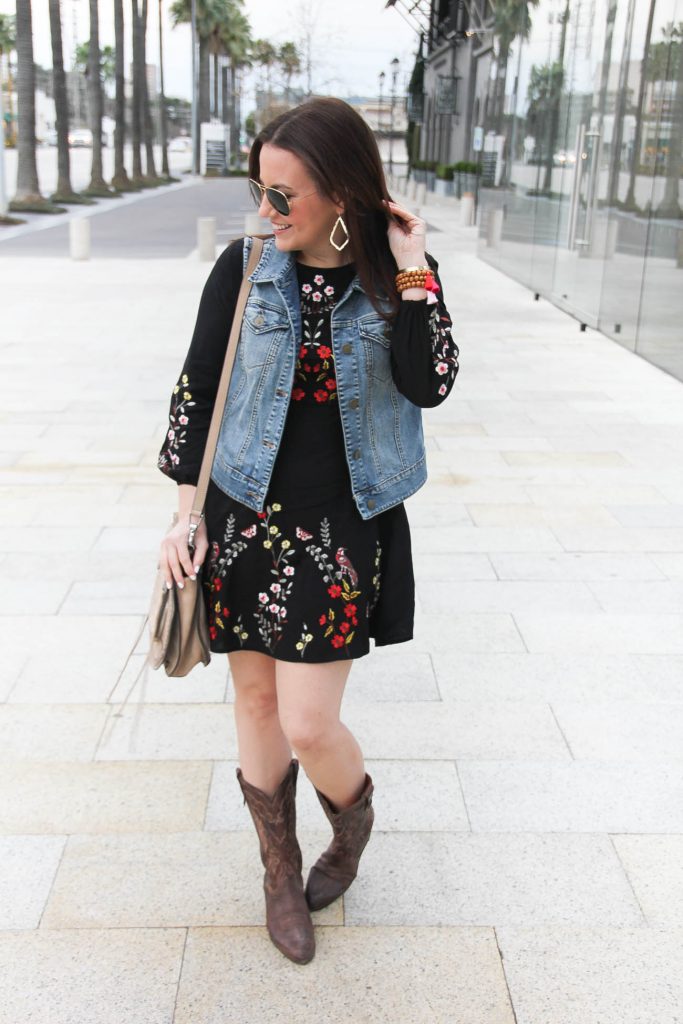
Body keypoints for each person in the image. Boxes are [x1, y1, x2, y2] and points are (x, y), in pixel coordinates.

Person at [156, 97, 459, 965]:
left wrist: (409, 270)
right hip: (241, 514)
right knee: (253, 702)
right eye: (261, 190)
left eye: (284, 195)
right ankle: (278, 872)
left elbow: (428, 382)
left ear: (337, 191)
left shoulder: (397, 269)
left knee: (310, 725)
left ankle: (349, 834)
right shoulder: (246, 264)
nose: (267, 210)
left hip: (340, 528)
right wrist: (183, 517)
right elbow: (196, 387)